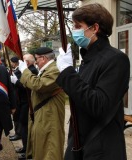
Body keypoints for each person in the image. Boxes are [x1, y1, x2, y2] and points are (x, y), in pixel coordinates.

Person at [56, 3, 130, 160]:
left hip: (100, 149)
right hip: (81, 143)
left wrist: (67, 72)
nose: (74, 31)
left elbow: (99, 105)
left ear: (94, 28)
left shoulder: (116, 59)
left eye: (78, 26)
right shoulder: (89, 58)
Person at [16, 47, 65, 160]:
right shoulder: (47, 69)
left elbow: (39, 85)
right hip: (43, 114)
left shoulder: (54, 69)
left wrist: (25, 71)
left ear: (43, 58)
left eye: (37, 59)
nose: (36, 62)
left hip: (50, 116)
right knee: (42, 147)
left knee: (50, 149)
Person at [10, 54, 38, 160]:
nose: (22, 62)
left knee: (25, 127)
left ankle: (28, 151)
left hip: (27, 102)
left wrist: (16, 81)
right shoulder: (25, 69)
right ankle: (25, 148)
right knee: (23, 126)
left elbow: (26, 86)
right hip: (22, 101)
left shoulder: (32, 70)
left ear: (28, 62)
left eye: (24, 60)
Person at [9, 56, 22, 142]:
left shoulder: (18, 71)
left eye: (12, 62)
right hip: (16, 96)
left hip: (18, 97)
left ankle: (18, 133)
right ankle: (17, 132)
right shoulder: (16, 70)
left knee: (17, 117)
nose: (11, 64)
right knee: (16, 116)